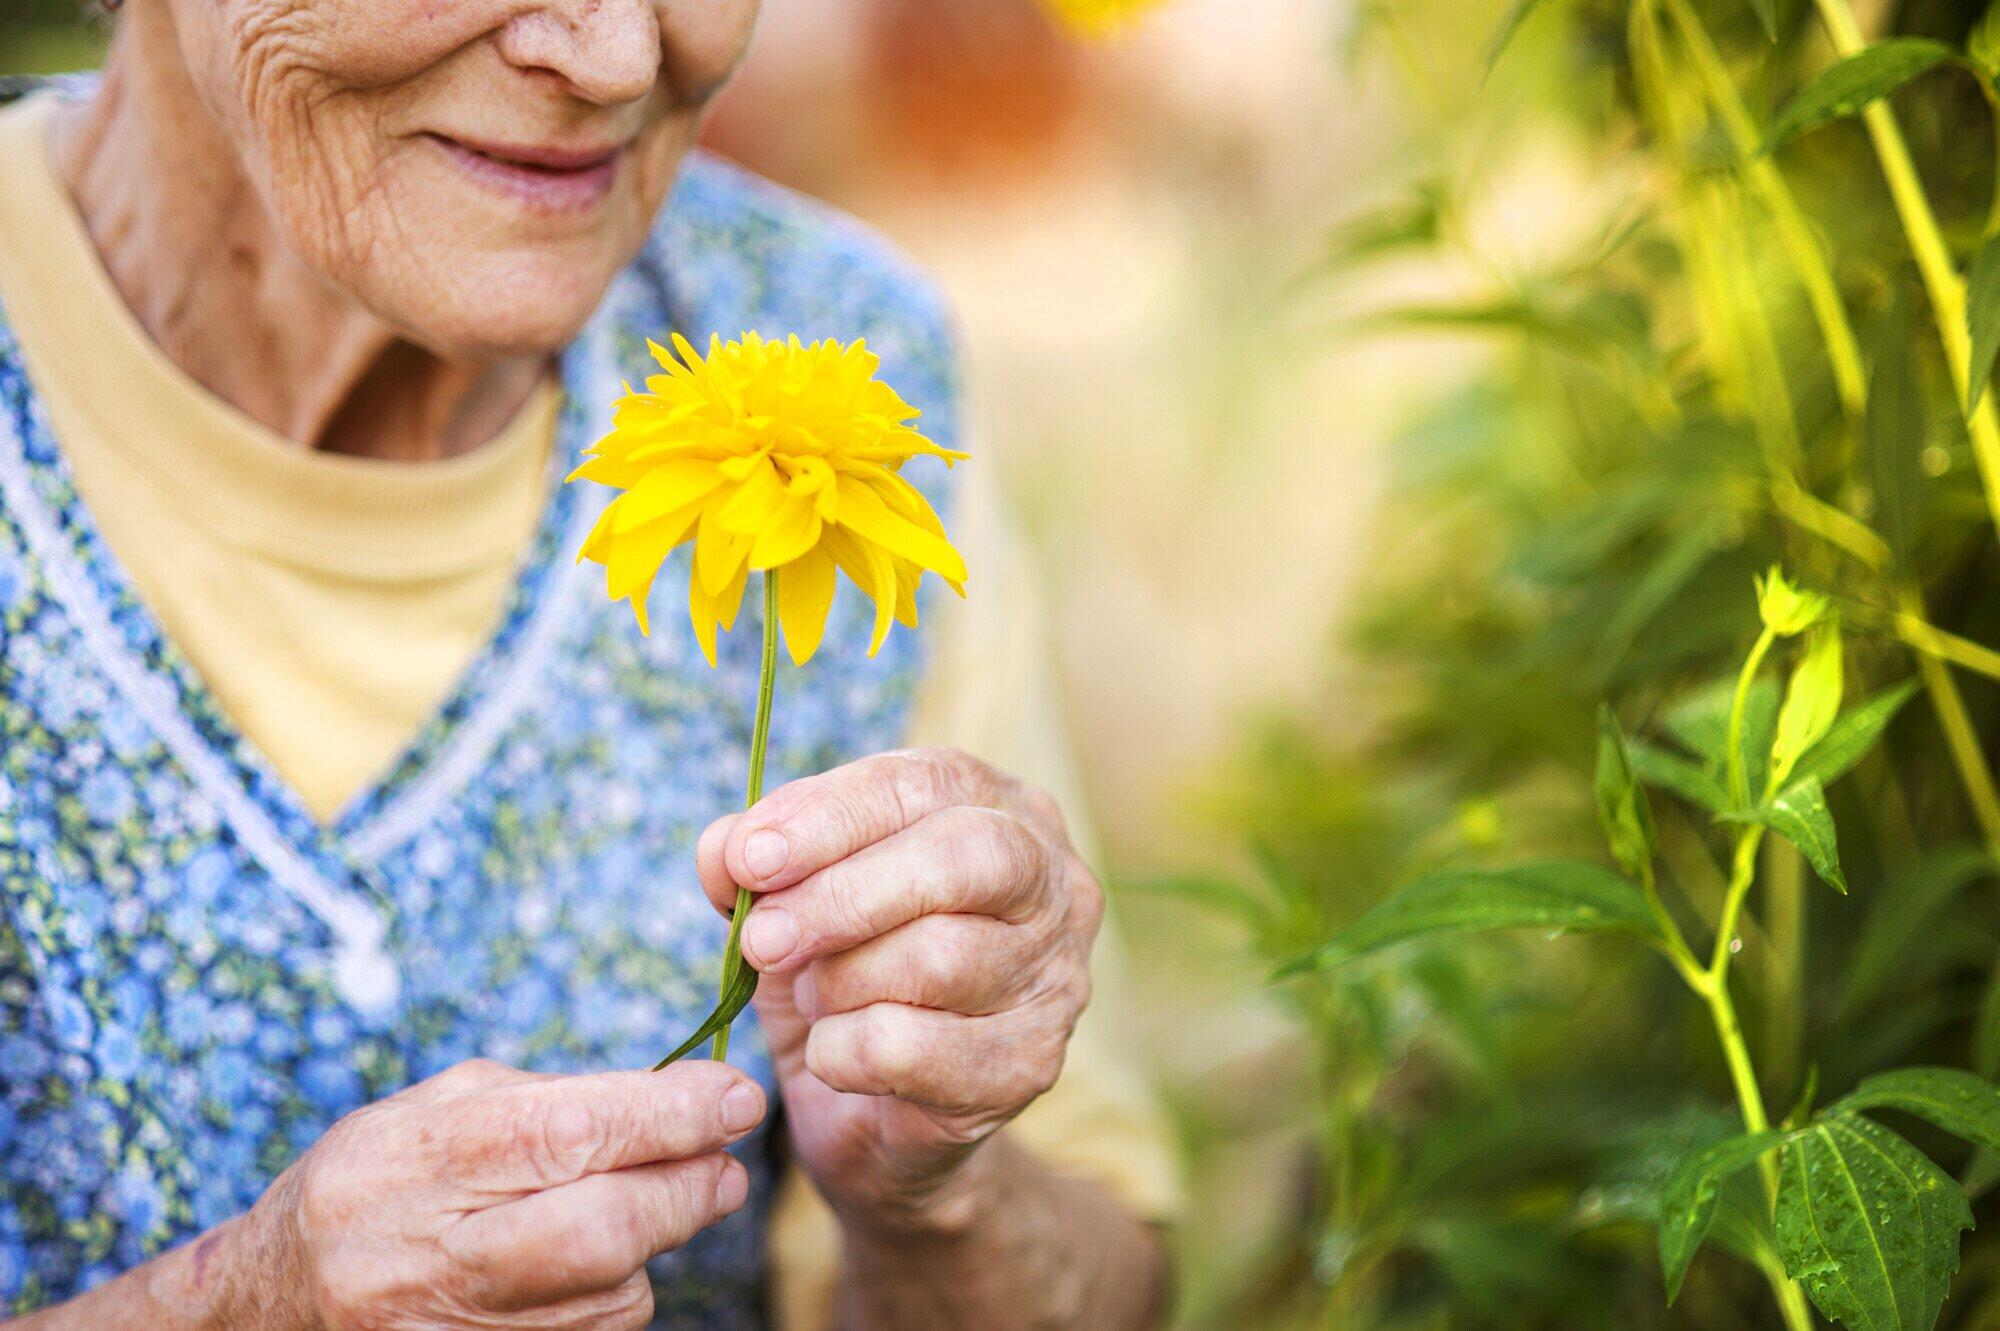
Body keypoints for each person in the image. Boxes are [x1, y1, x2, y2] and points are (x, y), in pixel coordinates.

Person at [0, 2, 1177, 1327]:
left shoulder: (842, 361)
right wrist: (230, 1310)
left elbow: (1109, 1275)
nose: (618, 55)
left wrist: (942, 1202)